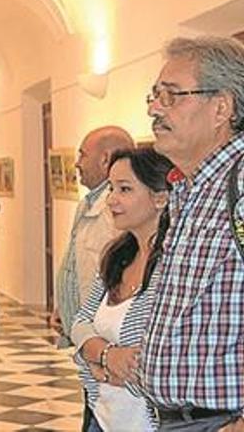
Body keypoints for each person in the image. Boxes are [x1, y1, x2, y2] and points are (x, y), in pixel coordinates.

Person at [141, 36, 244, 431]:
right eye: (154, 95)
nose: (154, 108)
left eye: (171, 96)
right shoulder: (189, 190)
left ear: (221, 108)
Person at [71, 148, 173, 432]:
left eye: (124, 189)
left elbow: (156, 357)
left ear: (160, 197)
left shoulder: (174, 267)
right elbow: (80, 324)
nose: (111, 200)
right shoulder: (117, 256)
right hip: (102, 417)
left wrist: (97, 357)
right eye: (111, 188)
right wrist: (106, 356)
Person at [50, 126, 134, 347]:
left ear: (105, 159)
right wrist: (64, 306)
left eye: (83, 154)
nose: (77, 163)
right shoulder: (87, 203)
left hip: (102, 334)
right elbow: (77, 263)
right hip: (84, 331)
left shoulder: (117, 207)